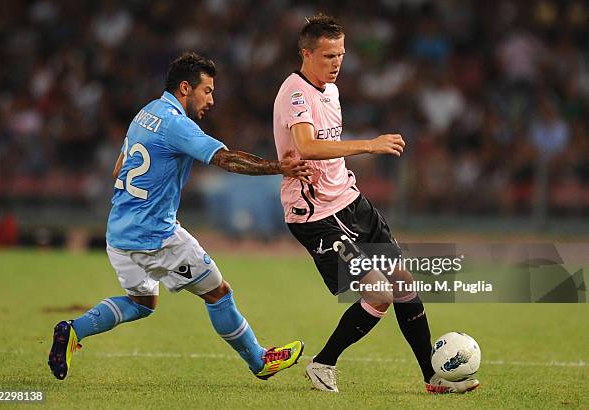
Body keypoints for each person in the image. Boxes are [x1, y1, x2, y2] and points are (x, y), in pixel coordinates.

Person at [48, 52, 308, 381]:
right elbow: (226, 160)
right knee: (219, 293)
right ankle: (260, 361)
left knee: (142, 302)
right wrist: (279, 167)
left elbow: (119, 169)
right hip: (156, 236)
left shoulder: (146, 113)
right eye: (208, 90)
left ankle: (73, 330)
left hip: (118, 233)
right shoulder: (177, 124)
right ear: (185, 88)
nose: (212, 99)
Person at [272, 14, 479, 394]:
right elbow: (307, 146)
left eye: (341, 54)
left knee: (402, 282)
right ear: (306, 53)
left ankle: (433, 378)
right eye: (328, 55)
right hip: (315, 214)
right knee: (379, 293)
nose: (337, 63)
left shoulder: (330, 91)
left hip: (349, 201)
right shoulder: (295, 93)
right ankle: (323, 364)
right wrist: (370, 144)